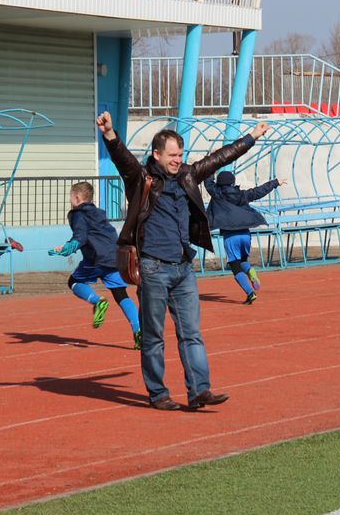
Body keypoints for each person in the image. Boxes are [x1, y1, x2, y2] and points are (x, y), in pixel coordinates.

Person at [97, 111, 271, 411]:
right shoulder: (142, 178)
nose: (178, 160)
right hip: (152, 268)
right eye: (173, 155)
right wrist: (110, 134)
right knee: (153, 337)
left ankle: (199, 391)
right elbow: (122, 158)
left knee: (191, 334)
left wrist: (251, 137)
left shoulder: (188, 175)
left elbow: (219, 158)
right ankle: (158, 394)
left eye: (180, 154)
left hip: (183, 268)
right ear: (157, 154)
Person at [48, 182, 141, 349]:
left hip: (96, 258)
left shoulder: (78, 214)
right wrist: (68, 245)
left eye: (71, 197)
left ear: (77, 198)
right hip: (114, 257)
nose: (70, 200)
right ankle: (138, 332)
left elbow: (80, 236)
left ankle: (97, 302)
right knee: (121, 294)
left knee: (74, 281)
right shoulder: (98, 213)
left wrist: (68, 248)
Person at [204, 170, 286, 304]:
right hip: (245, 234)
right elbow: (258, 191)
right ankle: (251, 271)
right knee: (242, 260)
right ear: (233, 182)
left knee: (235, 266)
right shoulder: (242, 194)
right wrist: (275, 182)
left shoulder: (217, 193)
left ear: (219, 183)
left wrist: (211, 168)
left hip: (231, 235)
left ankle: (250, 293)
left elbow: (208, 182)